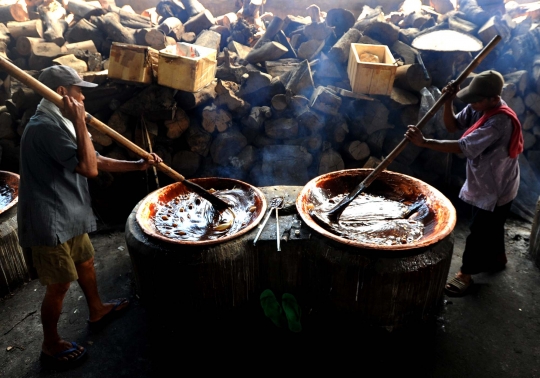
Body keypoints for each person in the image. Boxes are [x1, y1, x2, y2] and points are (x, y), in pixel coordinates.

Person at [17, 65, 163, 370]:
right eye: (78, 90)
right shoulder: (45, 126)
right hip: (49, 220)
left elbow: (94, 157)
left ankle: (96, 309)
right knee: (59, 285)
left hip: (69, 210)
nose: (83, 96)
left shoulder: (61, 121)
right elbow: (89, 169)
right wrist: (81, 122)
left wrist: (138, 165)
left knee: (85, 261)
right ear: (62, 93)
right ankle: (49, 344)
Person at [404, 70, 523, 297]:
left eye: (477, 100)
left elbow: (462, 146)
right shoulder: (481, 107)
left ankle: (465, 275)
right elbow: (452, 126)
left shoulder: (498, 122)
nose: (473, 104)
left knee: (479, 230)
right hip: (489, 179)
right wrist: (448, 102)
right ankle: (498, 258)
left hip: (496, 186)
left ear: (493, 98)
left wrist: (424, 142)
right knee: (493, 225)